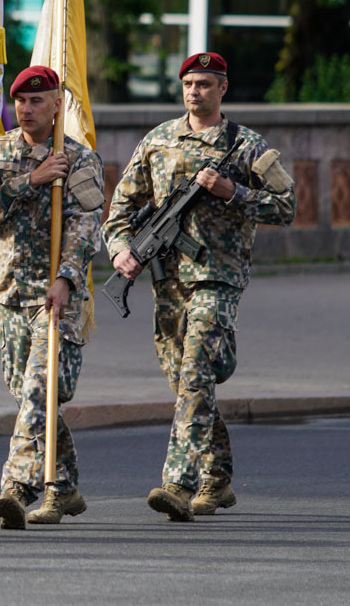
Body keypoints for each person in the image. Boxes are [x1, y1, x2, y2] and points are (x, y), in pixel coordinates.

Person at [104, 51, 295, 522]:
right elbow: (120, 211)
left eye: (206, 84)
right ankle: (219, 478)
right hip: (167, 280)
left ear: (222, 89)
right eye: (190, 83)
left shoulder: (247, 146)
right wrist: (121, 251)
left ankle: (177, 483)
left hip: (219, 276)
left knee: (195, 373)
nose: (196, 92)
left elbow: (287, 206)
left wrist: (235, 192)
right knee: (188, 383)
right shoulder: (158, 140)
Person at [0, 66, 104, 529]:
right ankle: (65, 487)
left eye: (38, 101)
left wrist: (67, 279)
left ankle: (18, 488)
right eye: (21, 102)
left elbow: (86, 225)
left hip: (57, 297)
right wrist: (33, 180)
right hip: (11, 291)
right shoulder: (0, 151)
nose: (27, 109)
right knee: (27, 396)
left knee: (40, 392)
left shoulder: (80, 159)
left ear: (58, 105)